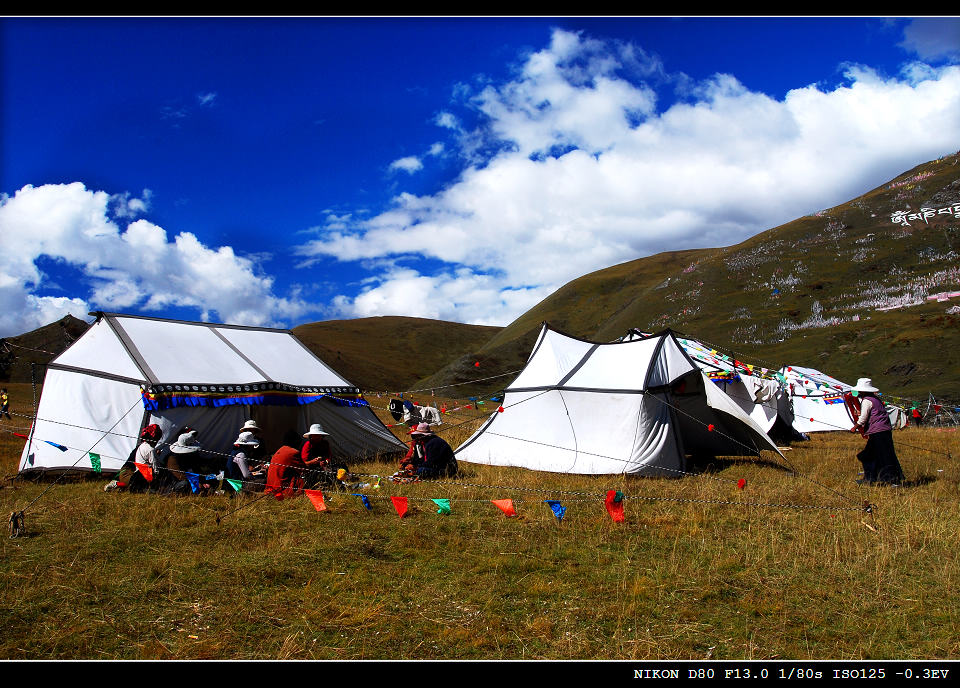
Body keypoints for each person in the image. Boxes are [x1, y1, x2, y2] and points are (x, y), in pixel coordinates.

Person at [850, 378, 904, 486]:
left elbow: (863, 417)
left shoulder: (866, 401)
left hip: (878, 432)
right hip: (884, 431)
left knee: (877, 455)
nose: (859, 393)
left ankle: (890, 479)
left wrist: (855, 426)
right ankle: (871, 478)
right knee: (878, 455)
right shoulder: (876, 399)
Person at [104, 423, 161, 492]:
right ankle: (117, 484)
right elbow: (154, 468)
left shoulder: (143, 446)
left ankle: (123, 488)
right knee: (134, 485)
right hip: (127, 472)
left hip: (134, 473)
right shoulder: (148, 449)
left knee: (139, 485)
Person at [300, 423, 348, 489]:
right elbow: (304, 463)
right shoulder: (307, 445)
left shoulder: (325, 443)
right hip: (312, 469)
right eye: (315, 435)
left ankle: (345, 479)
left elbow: (329, 456)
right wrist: (313, 462)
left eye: (319, 435)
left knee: (341, 466)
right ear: (311, 436)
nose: (317, 437)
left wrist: (326, 462)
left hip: (325, 466)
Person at [265, 429, 308, 499]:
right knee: (301, 479)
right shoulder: (293, 452)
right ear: (296, 442)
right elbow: (304, 470)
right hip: (281, 490)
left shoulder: (279, 450)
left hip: (271, 487)